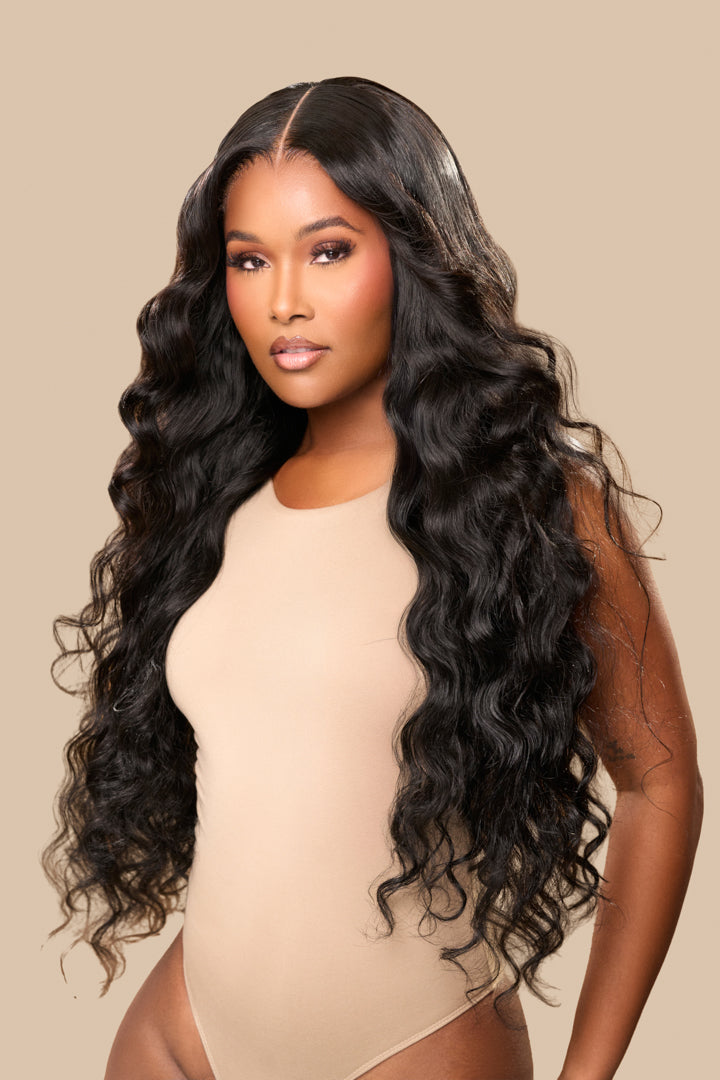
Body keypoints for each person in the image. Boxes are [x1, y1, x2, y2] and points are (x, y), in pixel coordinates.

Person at [42, 76, 702, 1080]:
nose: (284, 301)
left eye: (329, 251)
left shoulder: (537, 503)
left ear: (412, 256)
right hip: (184, 1041)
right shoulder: (216, 491)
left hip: (409, 1049)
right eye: (249, 259)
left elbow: (661, 782)